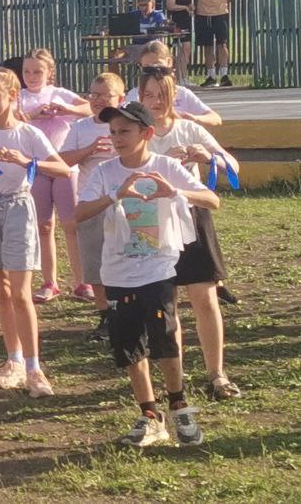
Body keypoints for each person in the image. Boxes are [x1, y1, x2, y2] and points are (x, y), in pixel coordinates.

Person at [75, 101, 219, 447]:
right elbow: (79, 213)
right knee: (129, 346)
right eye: (113, 132)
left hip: (158, 269)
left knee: (164, 339)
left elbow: (212, 200)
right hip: (117, 272)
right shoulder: (105, 172)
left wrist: (176, 191)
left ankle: (179, 406)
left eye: (125, 131)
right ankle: (150, 415)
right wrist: (116, 195)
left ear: (147, 133)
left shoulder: (165, 166)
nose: (117, 138)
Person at [0, 68, 70, 397]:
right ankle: (14, 360)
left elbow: (62, 168)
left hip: (19, 207)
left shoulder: (28, 134)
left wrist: (27, 162)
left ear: (12, 96)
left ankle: (34, 368)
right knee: (3, 292)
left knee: (21, 294)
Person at [138, 69, 242, 401]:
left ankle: (217, 374)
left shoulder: (189, 129)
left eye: (162, 95)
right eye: (149, 95)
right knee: (165, 303)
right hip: (153, 220)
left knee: (204, 297)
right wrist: (160, 165)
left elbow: (233, 167)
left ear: (174, 97)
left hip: (193, 216)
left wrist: (207, 157)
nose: (155, 102)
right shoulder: (138, 132)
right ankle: (175, 378)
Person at [18, 48, 93, 304]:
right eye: (27, 71)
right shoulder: (19, 97)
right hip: (36, 168)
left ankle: (82, 281)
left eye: (37, 71)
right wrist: (33, 115)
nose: (31, 76)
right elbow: (11, 119)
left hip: (64, 168)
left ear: (50, 72)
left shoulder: (60, 94)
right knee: (43, 225)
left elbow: (89, 108)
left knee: (71, 224)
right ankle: (50, 281)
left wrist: (64, 109)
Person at [59, 72, 125, 342]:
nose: (97, 100)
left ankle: (126, 311)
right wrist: (89, 149)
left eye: (105, 95)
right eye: (93, 94)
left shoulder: (126, 125)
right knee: (94, 263)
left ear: (120, 98)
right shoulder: (80, 127)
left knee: (125, 258)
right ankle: (106, 315)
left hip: (124, 204)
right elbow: (63, 160)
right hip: (90, 204)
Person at [125, 41, 222, 127]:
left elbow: (215, 118)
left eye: (157, 64)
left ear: (169, 62)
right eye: (147, 67)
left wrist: (194, 119)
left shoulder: (182, 93)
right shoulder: (135, 94)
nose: (153, 70)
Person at [164, 0, 195, 87]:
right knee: (182, 48)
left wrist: (190, 7)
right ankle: (180, 78)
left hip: (187, 21)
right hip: (178, 21)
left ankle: (183, 76)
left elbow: (187, 4)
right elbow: (170, 5)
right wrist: (184, 7)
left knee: (186, 50)